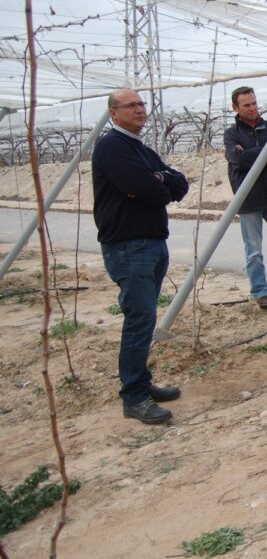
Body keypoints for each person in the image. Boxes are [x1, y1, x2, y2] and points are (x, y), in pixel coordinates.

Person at [92, 88, 189, 425]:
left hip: (149, 243)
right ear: (113, 113)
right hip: (128, 246)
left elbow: (178, 184)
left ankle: (142, 384)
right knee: (140, 319)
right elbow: (147, 188)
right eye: (130, 105)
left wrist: (159, 179)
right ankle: (133, 395)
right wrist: (159, 182)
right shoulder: (111, 147)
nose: (139, 109)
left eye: (141, 104)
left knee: (144, 318)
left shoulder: (139, 148)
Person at [224, 86, 267, 312]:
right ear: (235, 108)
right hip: (248, 198)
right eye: (247, 105)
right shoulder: (232, 133)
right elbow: (238, 159)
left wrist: (254, 152)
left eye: (254, 103)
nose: (253, 108)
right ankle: (261, 292)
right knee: (253, 249)